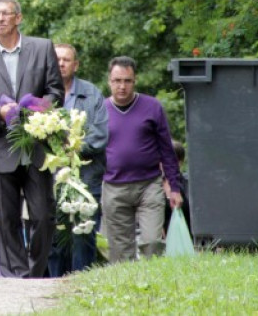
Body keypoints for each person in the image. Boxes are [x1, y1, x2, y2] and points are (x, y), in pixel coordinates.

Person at [0, 0, 64, 278]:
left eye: (6, 13)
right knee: (6, 219)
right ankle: (17, 276)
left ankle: (35, 272)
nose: (1, 18)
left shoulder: (42, 48)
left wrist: (34, 110)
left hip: (37, 144)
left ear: (18, 17)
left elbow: (56, 92)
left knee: (43, 216)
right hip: (2, 147)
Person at [102, 56, 182, 262]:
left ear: (134, 80)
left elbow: (167, 150)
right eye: (117, 81)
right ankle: (126, 282)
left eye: (127, 81)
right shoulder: (100, 110)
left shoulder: (152, 107)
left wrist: (174, 187)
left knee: (153, 243)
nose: (122, 86)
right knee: (120, 249)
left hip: (149, 184)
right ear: (109, 81)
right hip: (114, 186)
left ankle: (152, 279)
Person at [47, 43, 108, 277]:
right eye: (57, 59)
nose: (61, 63)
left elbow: (100, 134)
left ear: (76, 65)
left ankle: (82, 283)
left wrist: (73, 149)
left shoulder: (91, 93)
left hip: (86, 176)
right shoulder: (42, 93)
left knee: (83, 235)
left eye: (66, 59)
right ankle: (54, 285)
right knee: (55, 236)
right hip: (51, 177)